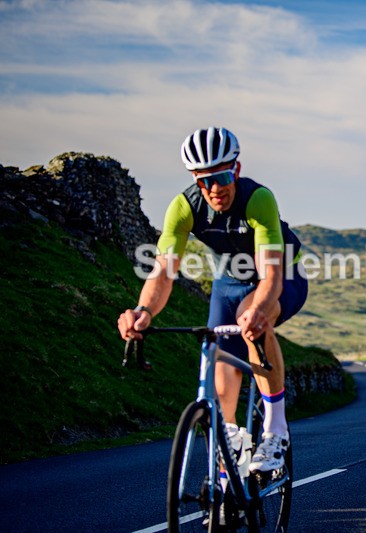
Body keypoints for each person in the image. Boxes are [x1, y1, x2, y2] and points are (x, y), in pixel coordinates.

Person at [117, 126, 307, 477]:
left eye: (221, 177)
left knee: (253, 320)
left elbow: (271, 276)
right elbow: (162, 273)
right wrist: (143, 311)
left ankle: (276, 431)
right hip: (230, 280)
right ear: (195, 179)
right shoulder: (183, 207)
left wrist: (259, 311)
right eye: (204, 181)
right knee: (222, 371)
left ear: (235, 169)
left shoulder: (257, 199)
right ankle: (229, 449)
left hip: (283, 276)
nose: (214, 189)